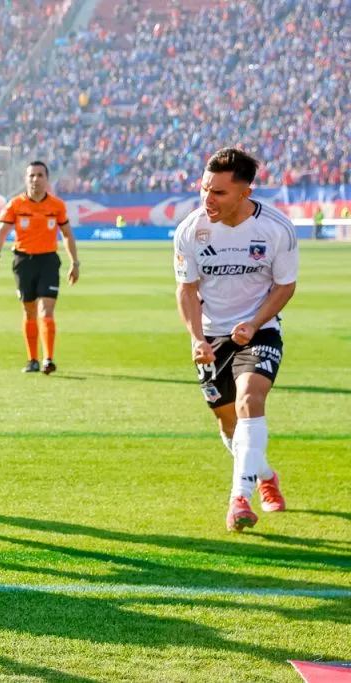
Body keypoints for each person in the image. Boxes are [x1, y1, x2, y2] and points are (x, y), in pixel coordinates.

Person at [173, 147, 297, 532]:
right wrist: (196, 338)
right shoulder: (191, 230)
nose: (208, 200)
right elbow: (187, 289)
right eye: (204, 190)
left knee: (249, 400)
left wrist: (255, 321)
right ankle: (264, 475)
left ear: (245, 192)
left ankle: (238, 500)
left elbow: (285, 286)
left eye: (219, 193)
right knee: (230, 426)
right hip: (212, 337)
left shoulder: (276, 228)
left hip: (260, 331)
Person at [0, 161, 79, 374]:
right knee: (29, 312)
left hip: (48, 261)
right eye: (31, 175)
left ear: (47, 179)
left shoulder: (57, 206)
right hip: (23, 262)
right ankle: (32, 360)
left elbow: (67, 234)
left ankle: (48, 359)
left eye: (40, 175)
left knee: (46, 311)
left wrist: (74, 262)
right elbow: (1, 231)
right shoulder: (15, 204)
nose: (35, 179)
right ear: (25, 179)